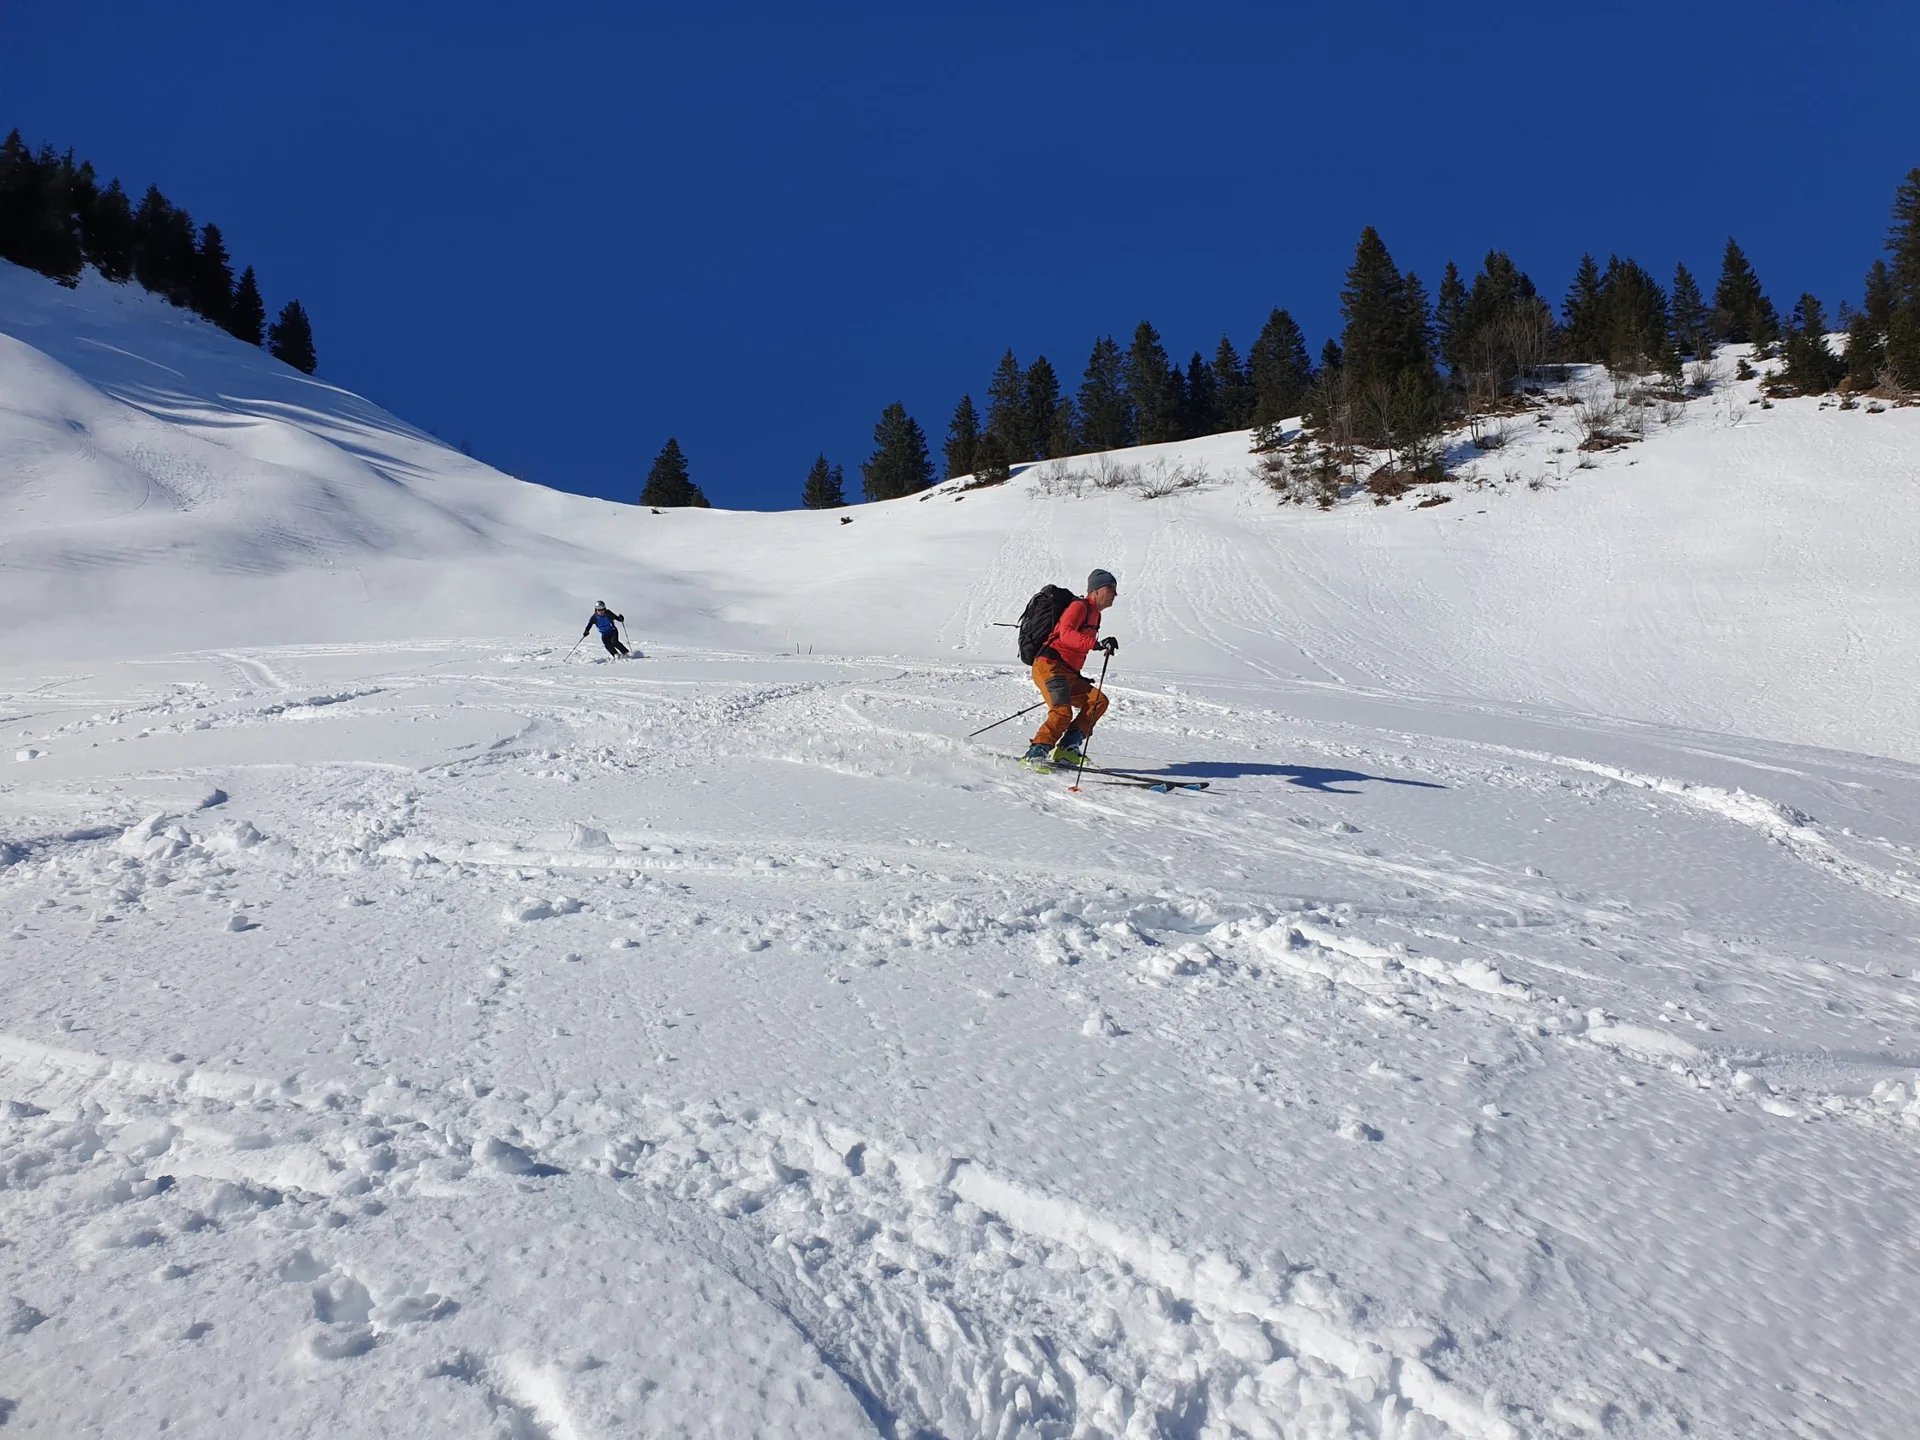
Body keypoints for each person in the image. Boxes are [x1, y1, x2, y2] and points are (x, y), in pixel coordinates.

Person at [1025, 569, 1119, 766]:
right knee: (1062, 711)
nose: (1115, 594)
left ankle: (1067, 748)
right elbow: (1066, 634)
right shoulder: (1079, 607)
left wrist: (1101, 645)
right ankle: (1035, 753)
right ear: (1096, 589)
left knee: (1097, 702)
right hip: (1049, 666)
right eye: (1111, 588)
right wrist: (1096, 644)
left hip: (1068, 673)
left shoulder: (1095, 615)